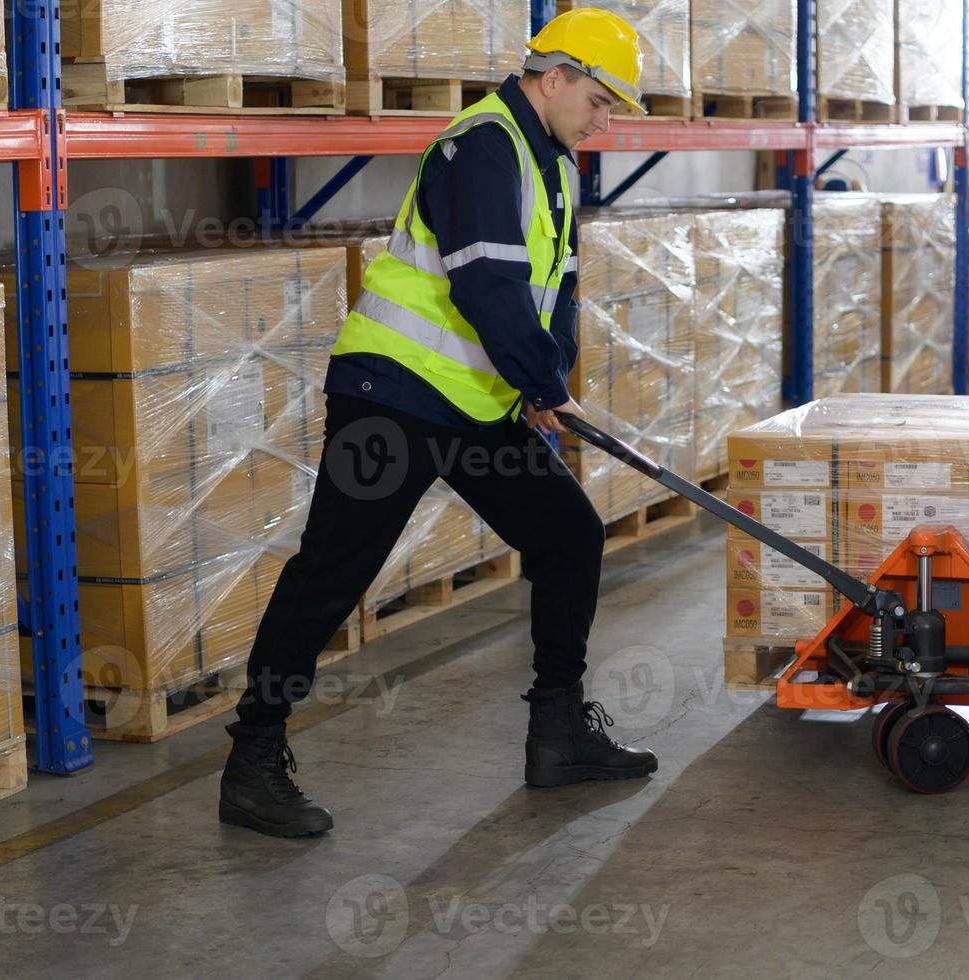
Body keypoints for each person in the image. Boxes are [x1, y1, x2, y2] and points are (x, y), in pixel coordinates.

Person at [218, 9, 658, 838]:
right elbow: (485, 287)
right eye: (599, 100)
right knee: (332, 574)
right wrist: (539, 382)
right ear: (553, 76)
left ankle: (557, 733)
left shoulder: (553, 163)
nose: (605, 121)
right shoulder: (484, 146)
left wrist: (544, 380)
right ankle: (251, 760)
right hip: (391, 397)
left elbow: (551, 291)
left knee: (569, 537)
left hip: (473, 403)